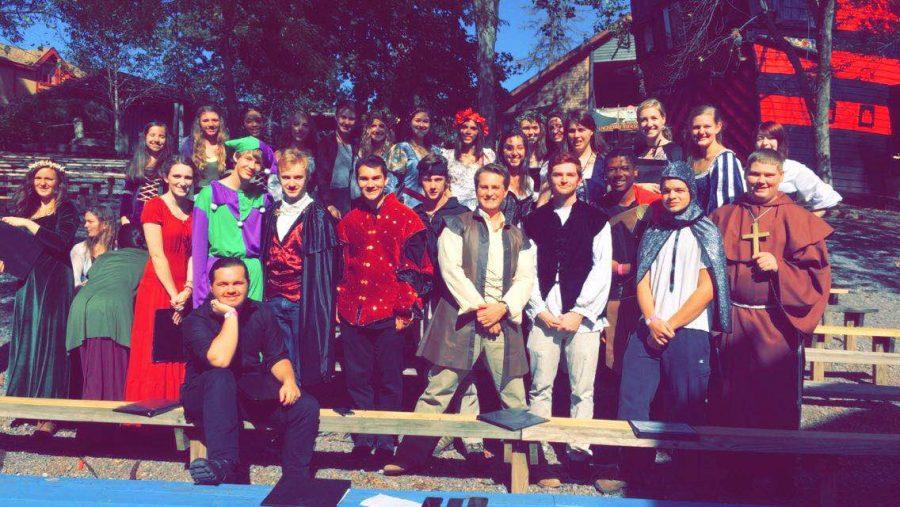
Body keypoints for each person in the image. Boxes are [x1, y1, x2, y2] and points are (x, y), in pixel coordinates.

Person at [385, 164, 535, 476]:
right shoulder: (456, 225)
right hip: (463, 320)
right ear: (477, 190)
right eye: (484, 187)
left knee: (513, 393)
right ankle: (409, 455)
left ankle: (527, 465)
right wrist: (482, 309)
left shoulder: (519, 236)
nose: (490, 193)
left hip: (502, 323)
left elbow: (525, 280)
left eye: (496, 187)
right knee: (438, 390)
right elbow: (450, 270)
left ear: (506, 191)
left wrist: (503, 308)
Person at [597, 160, 731, 494]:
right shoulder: (655, 229)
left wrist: (669, 324)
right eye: (667, 189)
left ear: (692, 191)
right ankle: (633, 472)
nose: (671, 196)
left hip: (688, 329)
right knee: (633, 401)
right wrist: (653, 320)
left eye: (679, 190)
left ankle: (686, 476)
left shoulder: (706, 230)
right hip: (649, 327)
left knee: (685, 404)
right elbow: (641, 278)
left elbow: (707, 288)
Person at [710, 149, 832, 432]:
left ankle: (773, 470)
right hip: (733, 321)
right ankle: (731, 466)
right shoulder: (725, 215)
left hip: (775, 324)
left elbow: (816, 278)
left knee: (773, 398)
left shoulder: (799, 219)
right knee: (732, 396)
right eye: (754, 174)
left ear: (781, 177)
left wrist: (780, 266)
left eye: (768, 175)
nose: (760, 180)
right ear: (745, 175)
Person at [181, 257, 319, 485]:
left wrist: (289, 381)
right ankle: (223, 464)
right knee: (221, 377)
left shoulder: (261, 312)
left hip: (246, 391)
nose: (231, 290)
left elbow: (277, 356)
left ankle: (295, 480)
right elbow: (220, 360)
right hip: (205, 396)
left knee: (306, 406)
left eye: (237, 283)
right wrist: (231, 316)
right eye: (223, 284)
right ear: (211, 287)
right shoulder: (196, 320)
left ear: (247, 283)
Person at [336, 155, 432, 467]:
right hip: (354, 311)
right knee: (357, 378)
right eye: (364, 179)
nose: (370, 185)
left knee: (390, 379)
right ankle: (364, 439)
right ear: (357, 180)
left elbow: (418, 268)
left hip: (390, 312)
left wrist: (406, 308)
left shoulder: (406, 218)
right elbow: (341, 266)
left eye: (375, 178)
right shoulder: (349, 221)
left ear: (386, 178)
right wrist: (340, 301)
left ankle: (388, 440)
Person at [523, 153, 612, 486]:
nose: (563, 179)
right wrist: (539, 310)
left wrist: (580, 312)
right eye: (557, 174)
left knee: (581, 391)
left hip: (583, 319)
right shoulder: (534, 219)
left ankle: (578, 455)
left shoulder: (596, 219)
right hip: (544, 313)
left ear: (579, 178)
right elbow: (526, 268)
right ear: (549, 177)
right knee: (540, 387)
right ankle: (539, 457)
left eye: (569, 174)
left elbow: (602, 268)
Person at [1, 159, 78, 436]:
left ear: (59, 183)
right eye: (38, 179)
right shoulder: (27, 208)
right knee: (27, 336)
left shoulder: (66, 209)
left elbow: (60, 243)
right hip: (28, 278)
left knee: (50, 340)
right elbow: (16, 245)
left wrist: (27, 224)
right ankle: (24, 402)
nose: (43, 183)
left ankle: (49, 411)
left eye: (49, 179)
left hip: (54, 279)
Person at [261, 148, 341, 389]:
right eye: (286, 177)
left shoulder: (317, 215)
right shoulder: (273, 211)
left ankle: (302, 413)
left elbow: (325, 270)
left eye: (298, 177)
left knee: (302, 361)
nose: (292, 183)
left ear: (307, 178)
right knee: (278, 358)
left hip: (301, 300)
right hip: (274, 298)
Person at [124, 161, 195, 401]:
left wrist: (188, 288)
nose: (182, 182)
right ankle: (149, 418)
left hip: (185, 287)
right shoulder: (154, 206)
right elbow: (157, 254)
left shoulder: (196, 209)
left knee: (180, 350)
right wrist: (174, 294)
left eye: (188, 177)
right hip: (159, 285)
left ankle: (179, 407)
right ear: (165, 177)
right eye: (177, 175)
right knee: (157, 349)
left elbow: (196, 252)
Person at [594, 149, 661, 374]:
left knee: (647, 356)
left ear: (635, 171)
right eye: (612, 169)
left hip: (649, 292)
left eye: (624, 168)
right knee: (614, 358)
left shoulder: (654, 207)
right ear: (605, 174)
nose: (618, 174)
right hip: (613, 293)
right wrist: (615, 267)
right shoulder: (598, 208)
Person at [66, 225, 148, 401]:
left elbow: (91, 275)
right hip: (111, 309)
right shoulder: (148, 259)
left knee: (88, 369)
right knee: (112, 370)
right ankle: (107, 423)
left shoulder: (105, 257)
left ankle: (87, 422)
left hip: (80, 306)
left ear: (118, 242)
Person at [192, 136, 272, 307]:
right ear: (236, 157)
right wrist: (199, 298)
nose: (252, 166)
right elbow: (199, 249)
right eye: (248, 158)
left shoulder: (263, 199)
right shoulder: (209, 194)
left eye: (257, 162)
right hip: (220, 273)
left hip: (252, 276)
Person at [755, 121, 841, 216]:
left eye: (771, 138)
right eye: (760, 138)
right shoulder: (745, 171)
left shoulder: (793, 169)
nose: (765, 143)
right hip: (754, 228)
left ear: (779, 141)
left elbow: (826, 197)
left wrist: (804, 226)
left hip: (784, 228)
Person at [686, 104, 745, 214]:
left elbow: (727, 207)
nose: (701, 132)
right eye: (696, 127)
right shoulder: (691, 159)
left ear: (718, 127)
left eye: (707, 126)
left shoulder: (725, 159)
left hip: (713, 227)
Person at [120, 121, 175, 225]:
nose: (156, 140)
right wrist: (124, 216)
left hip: (159, 213)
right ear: (145, 137)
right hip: (136, 212)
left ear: (167, 139)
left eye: (161, 136)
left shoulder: (170, 164)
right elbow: (127, 192)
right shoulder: (136, 162)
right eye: (152, 135)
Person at [441, 107, 496, 210]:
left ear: (479, 132)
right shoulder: (447, 156)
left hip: (478, 208)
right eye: (465, 127)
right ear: (459, 129)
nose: (468, 131)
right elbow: (444, 185)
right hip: (452, 208)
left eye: (473, 128)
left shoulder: (488, 156)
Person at [388, 108, 441, 208]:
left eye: (425, 121)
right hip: (409, 206)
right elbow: (391, 183)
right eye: (417, 120)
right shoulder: (401, 149)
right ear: (410, 123)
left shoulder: (436, 151)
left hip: (434, 207)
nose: (421, 125)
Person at [315, 100, 360, 219]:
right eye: (343, 117)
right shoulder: (326, 142)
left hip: (348, 197)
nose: (346, 122)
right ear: (336, 117)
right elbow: (321, 176)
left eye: (351, 119)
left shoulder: (355, 144)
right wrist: (329, 204)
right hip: (328, 196)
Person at [180, 105, 229, 189]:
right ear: (199, 123)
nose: (211, 124)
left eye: (215, 120)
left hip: (220, 197)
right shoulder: (189, 144)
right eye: (205, 121)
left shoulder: (227, 145)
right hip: (195, 197)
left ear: (220, 122)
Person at [562, 110, 605, 205]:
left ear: (591, 131)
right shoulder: (560, 163)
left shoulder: (604, 163)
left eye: (581, 130)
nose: (576, 135)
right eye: (571, 131)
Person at [496, 130, 536, 228]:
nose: (514, 153)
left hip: (523, 236)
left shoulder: (529, 181)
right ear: (502, 151)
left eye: (520, 148)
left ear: (525, 151)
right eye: (509, 148)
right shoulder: (495, 178)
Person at [71, 204, 116, 289]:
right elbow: (75, 281)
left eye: (90, 221)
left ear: (105, 224)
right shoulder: (80, 249)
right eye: (85, 221)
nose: (85, 225)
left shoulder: (117, 249)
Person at [516, 109, 548, 190]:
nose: (531, 132)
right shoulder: (514, 155)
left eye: (535, 127)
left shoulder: (548, 153)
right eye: (526, 128)